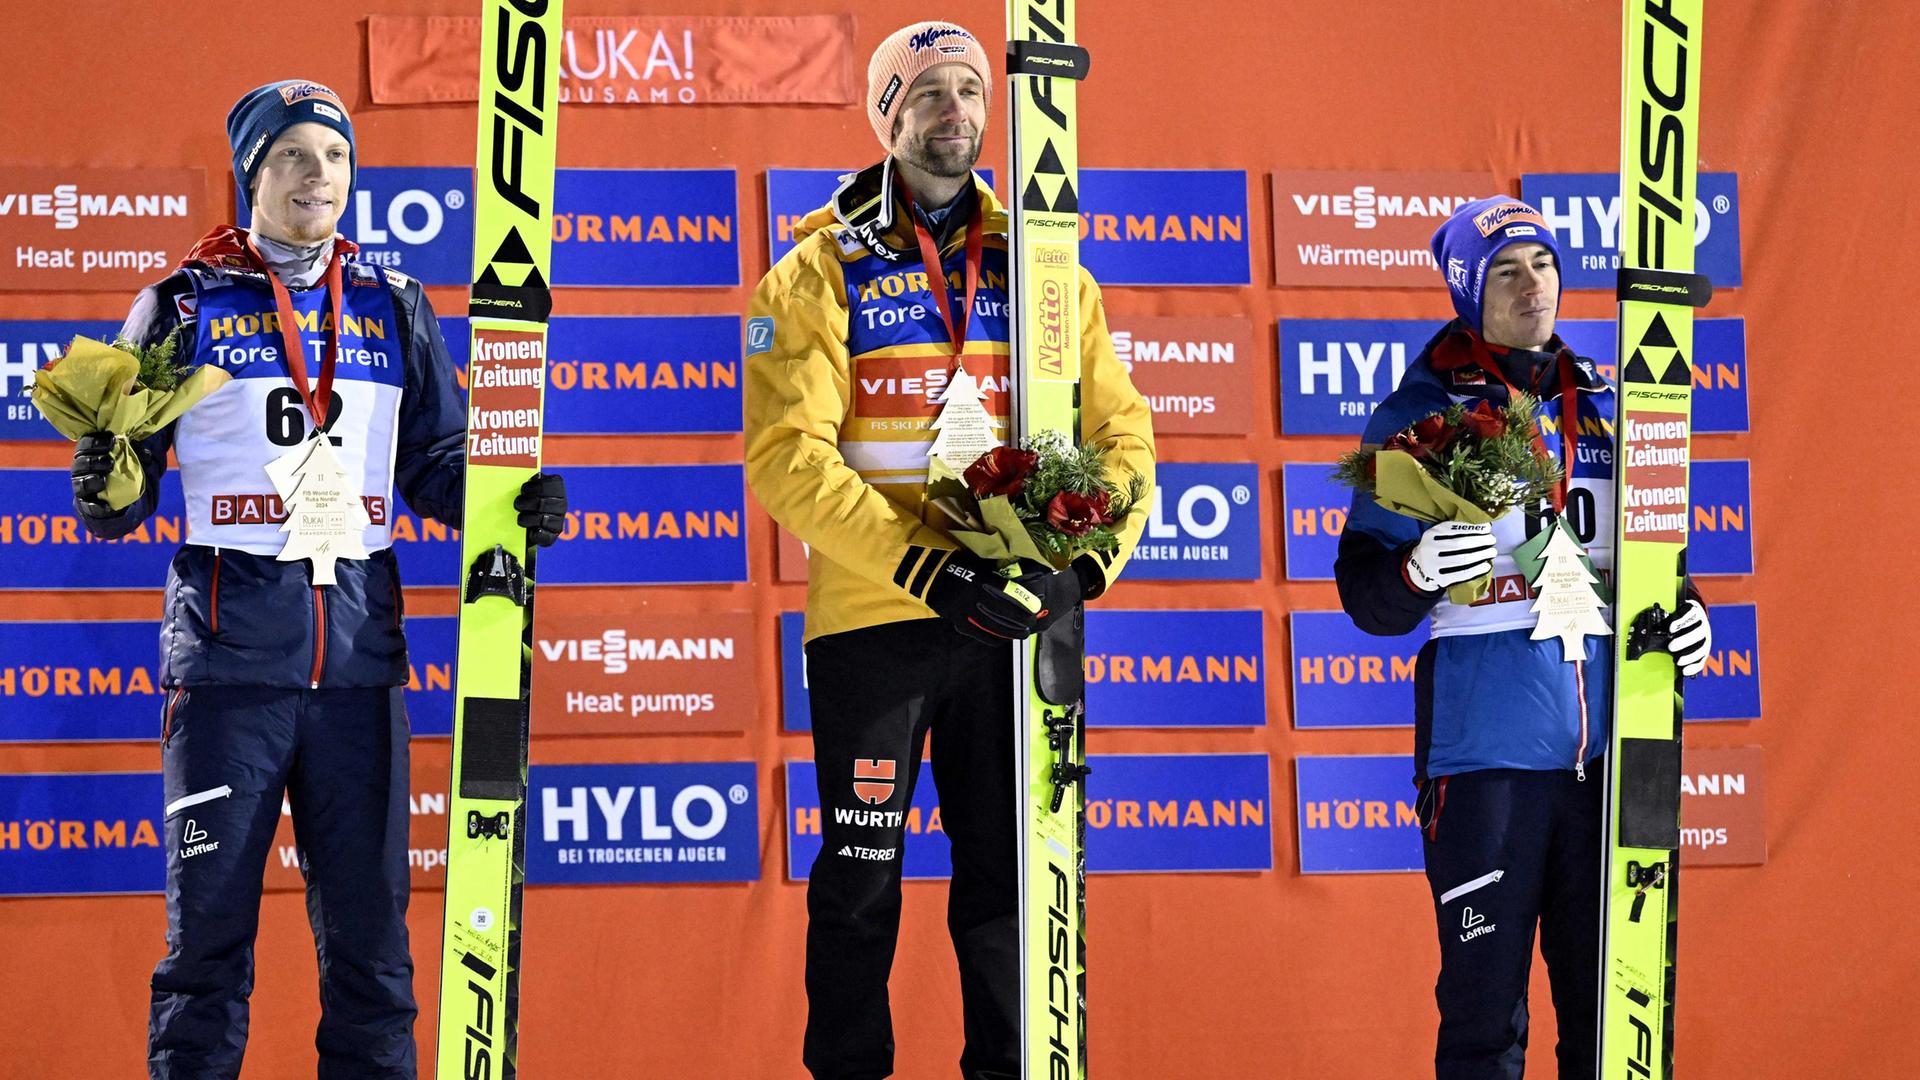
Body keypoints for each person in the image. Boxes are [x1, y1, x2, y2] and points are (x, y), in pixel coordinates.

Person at [69, 80, 567, 1080]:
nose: (318, 176)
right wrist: (104, 475)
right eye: (293, 155)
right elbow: (118, 487)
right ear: (252, 172)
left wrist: (506, 499)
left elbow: (432, 459)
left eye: (334, 158)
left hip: (357, 673)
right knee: (205, 956)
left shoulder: (392, 302)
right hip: (228, 672)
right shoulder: (183, 303)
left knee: (374, 958)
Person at [744, 22, 1155, 1080]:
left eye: (971, 92)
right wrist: (931, 567)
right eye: (928, 94)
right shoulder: (817, 267)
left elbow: (1125, 441)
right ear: (888, 117)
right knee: (860, 883)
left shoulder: (1045, 263)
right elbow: (791, 461)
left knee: (1014, 880)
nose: (956, 114)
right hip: (878, 624)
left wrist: (1082, 565)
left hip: (1014, 625)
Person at [1335, 197, 1711, 1079]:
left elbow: (1653, 557)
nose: (1532, 283)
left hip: (1616, 759)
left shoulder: (1614, 403)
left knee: (1616, 1018)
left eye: (1542, 262)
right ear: (1470, 292)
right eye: (1505, 269)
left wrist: (1686, 609)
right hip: (1488, 766)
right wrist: (1417, 571)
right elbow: (1366, 594)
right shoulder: (1420, 415)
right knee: (1483, 1024)